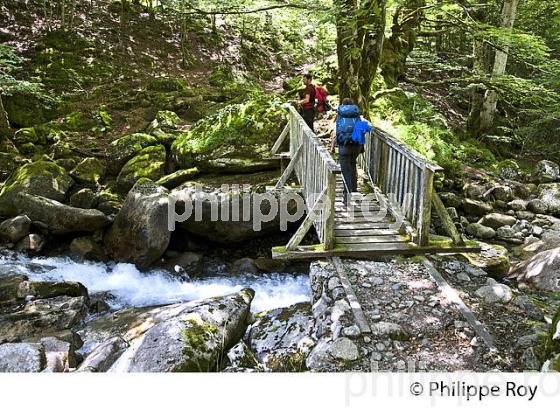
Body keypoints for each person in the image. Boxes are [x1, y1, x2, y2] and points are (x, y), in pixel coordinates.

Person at [330, 98, 372, 206]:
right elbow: (367, 127)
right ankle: (354, 191)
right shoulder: (357, 115)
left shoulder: (340, 116)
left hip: (344, 146)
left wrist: (332, 148)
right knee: (353, 165)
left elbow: (335, 134)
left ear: (342, 106)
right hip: (356, 146)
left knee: (346, 171)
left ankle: (346, 197)